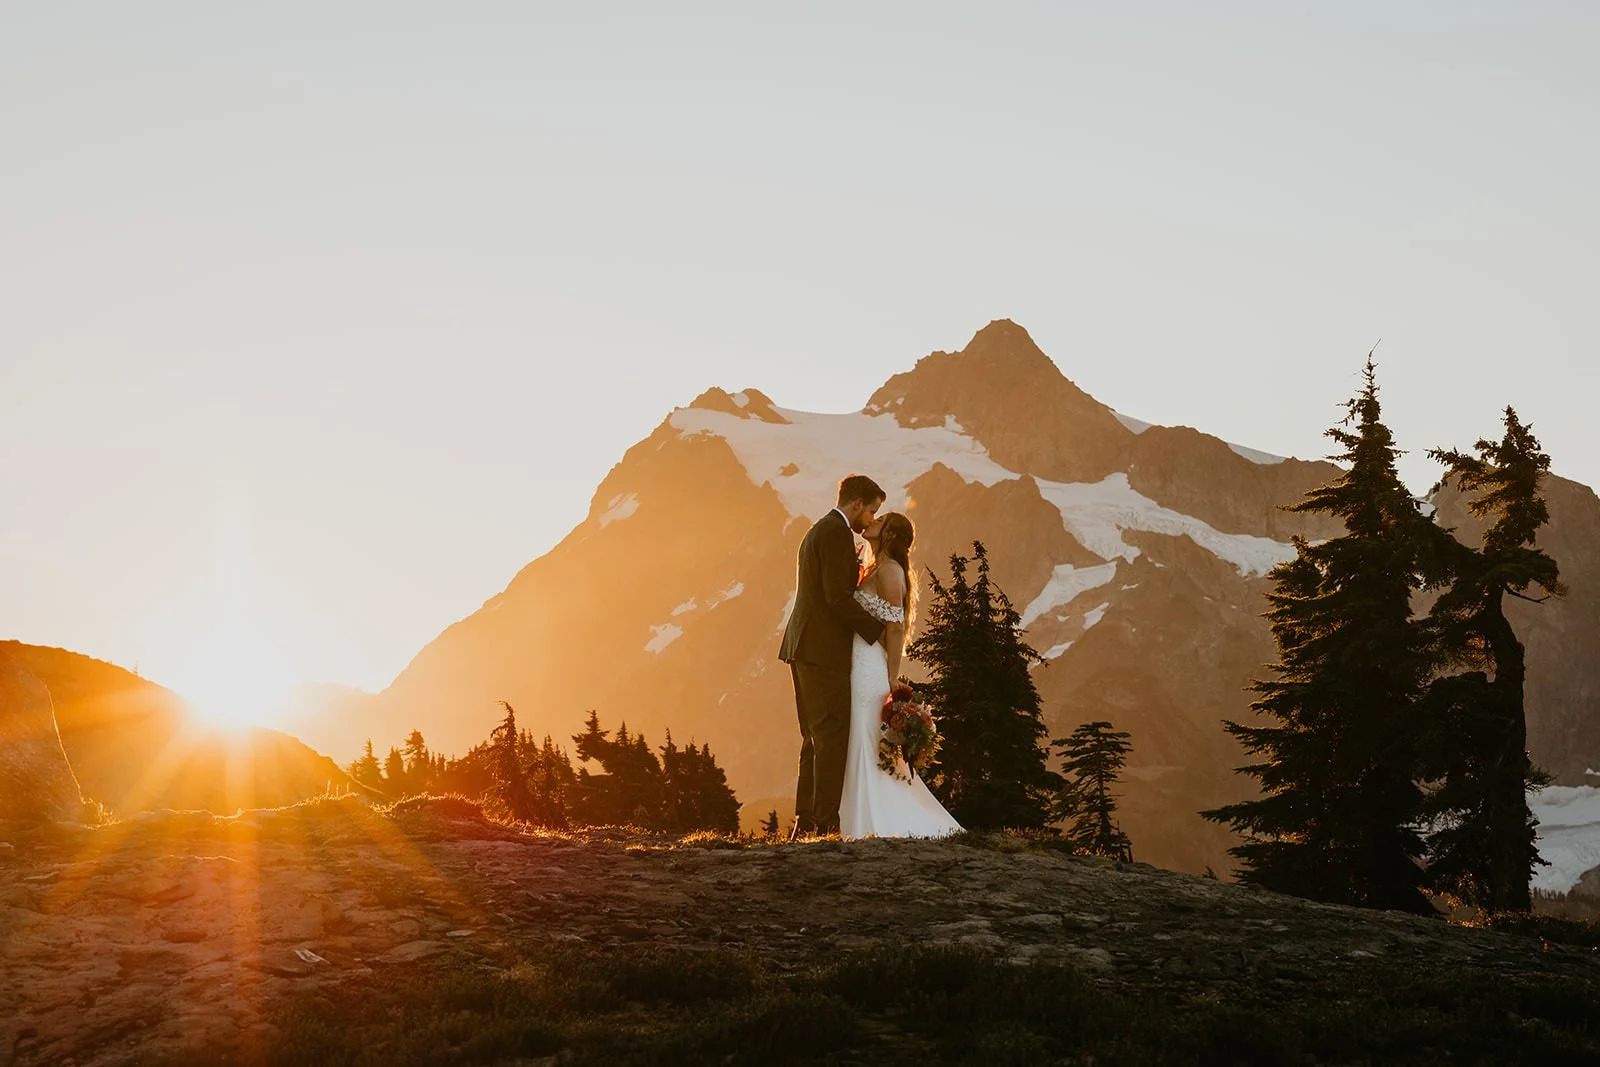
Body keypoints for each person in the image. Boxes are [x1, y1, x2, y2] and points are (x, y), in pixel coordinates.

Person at [838, 511, 961, 839]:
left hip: (869, 665)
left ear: (889, 534)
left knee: (864, 734)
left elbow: (895, 629)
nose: (872, 521)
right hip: (858, 656)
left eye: (880, 520)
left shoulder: (891, 572)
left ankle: (873, 817)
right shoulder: (877, 566)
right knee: (858, 734)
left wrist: (892, 677)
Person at [778, 475, 887, 837]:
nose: (870, 520)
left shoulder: (817, 530)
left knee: (812, 736)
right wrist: (878, 631)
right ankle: (824, 822)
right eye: (871, 511)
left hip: (803, 645)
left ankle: (805, 819)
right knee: (831, 734)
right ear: (856, 504)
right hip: (822, 649)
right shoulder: (837, 533)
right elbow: (837, 597)